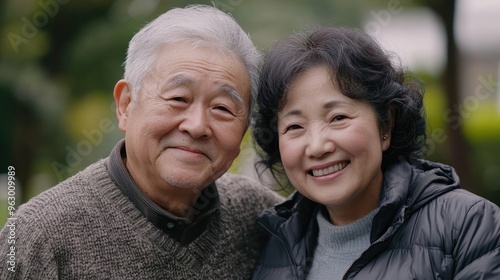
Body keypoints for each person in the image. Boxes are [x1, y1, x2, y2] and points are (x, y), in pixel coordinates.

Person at [0, 5, 283, 279]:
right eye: (178, 99)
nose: (197, 126)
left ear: (244, 126)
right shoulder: (39, 235)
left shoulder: (259, 217)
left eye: (222, 108)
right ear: (125, 104)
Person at [251, 26, 500, 279]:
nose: (317, 147)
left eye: (338, 117)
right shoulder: (273, 245)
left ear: (386, 124)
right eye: (294, 126)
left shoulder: (469, 225)